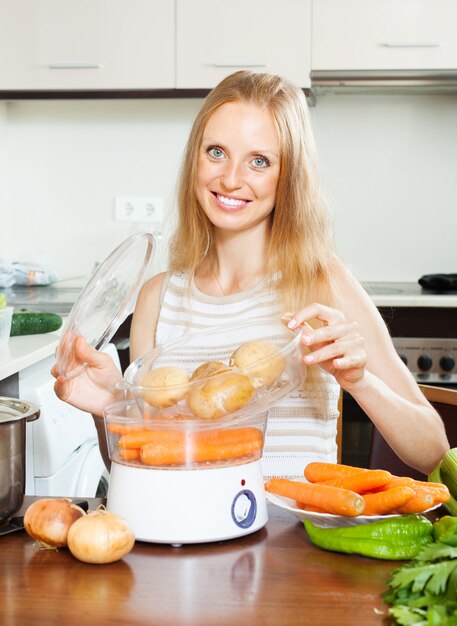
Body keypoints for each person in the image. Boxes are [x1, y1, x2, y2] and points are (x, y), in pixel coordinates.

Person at [53, 70, 449, 479]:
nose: (230, 179)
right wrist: (110, 408)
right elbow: (141, 467)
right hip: (191, 533)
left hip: (294, 539)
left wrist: (360, 381)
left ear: (288, 177)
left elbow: (432, 451)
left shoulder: (322, 282)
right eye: (216, 152)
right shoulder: (157, 298)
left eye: (258, 161)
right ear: (195, 159)